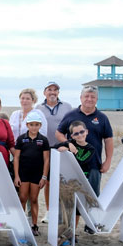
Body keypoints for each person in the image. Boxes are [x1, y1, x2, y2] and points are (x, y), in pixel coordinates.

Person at [56, 86, 113, 197]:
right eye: (86, 96)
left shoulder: (102, 118)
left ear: (97, 99)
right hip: (72, 164)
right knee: (72, 198)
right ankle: (76, 216)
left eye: (93, 97)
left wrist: (108, 161)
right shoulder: (70, 115)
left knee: (92, 198)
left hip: (94, 165)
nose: (89, 99)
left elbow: (108, 140)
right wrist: (69, 143)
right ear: (81, 98)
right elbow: (58, 133)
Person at [35, 81, 72, 223]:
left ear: (58, 93)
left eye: (55, 90)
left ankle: (62, 211)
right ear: (44, 93)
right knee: (48, 182)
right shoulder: (39, 108)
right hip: (44, 149)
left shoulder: (67, 107)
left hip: (62, 149)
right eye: (49, 89)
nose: (52, 92)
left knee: (63, 181)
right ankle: (50, 211)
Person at [13, 112, 49, 236]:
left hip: (36, 174)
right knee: (22, 198)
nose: (34, 127)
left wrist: (44, 176)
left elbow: (46, 160)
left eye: (37, 125)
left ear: (40, 125)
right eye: (32, 124)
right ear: (27, 125)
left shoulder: (43, 140)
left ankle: (34, 225)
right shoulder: (21, 139)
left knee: (33, 199)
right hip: (23, 174)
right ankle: (21, 224)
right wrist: (16, 176)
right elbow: (16, 158)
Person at [54, 121, 99, 193]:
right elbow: (55, 146)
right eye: (76, 133)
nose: (80, 135)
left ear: (86, 132)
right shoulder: (71, 143)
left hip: (83, 177)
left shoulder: (91, 149)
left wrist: (68, 150)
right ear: (72, 136)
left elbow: (81, 161)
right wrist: (68, 144)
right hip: (69, 175)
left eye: (82, 132)